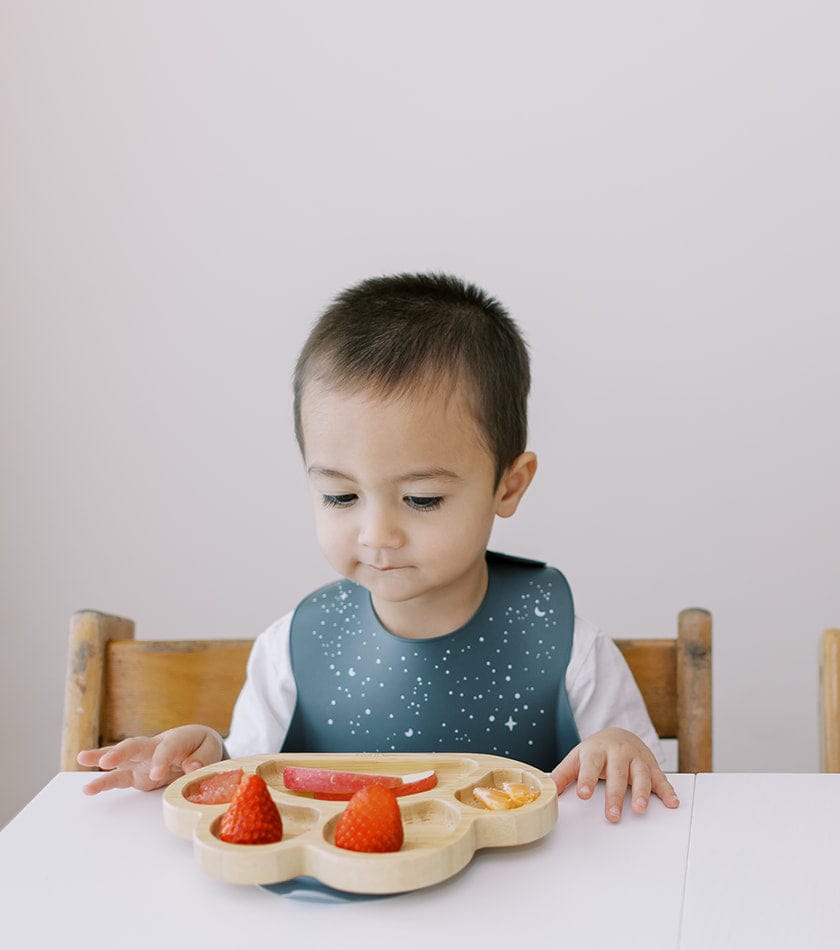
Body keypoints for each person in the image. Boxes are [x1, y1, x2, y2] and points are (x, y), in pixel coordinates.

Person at [78, 272, 679, 821]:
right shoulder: (291, 649)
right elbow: (246, 780)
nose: (376, 535)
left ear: (509, 484)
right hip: (336, 923)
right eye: (340, 497)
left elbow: (657, 797)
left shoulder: (566, 646)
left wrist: (619, 751)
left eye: (421, 499)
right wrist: (205, 760)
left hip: (517, 922)